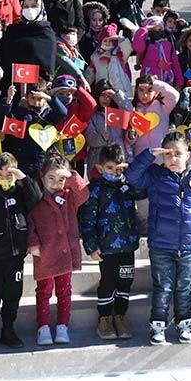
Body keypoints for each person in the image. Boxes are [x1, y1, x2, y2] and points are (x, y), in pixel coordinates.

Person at [125, 132, 191, 345]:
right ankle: (158, 325)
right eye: (168, 154)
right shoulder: (155, 175)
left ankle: (184, 324)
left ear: (188, 155)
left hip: (190, 246)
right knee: (163, 287)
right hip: (161, 244)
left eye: (178, 154)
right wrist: (149, 154)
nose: (173, 158)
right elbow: (132, 177)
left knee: (184, 287)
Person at [0, 153, 42, 350]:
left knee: (13, 294)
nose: (4, 179)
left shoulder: (21, 194)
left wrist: (24, 179)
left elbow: (37, 201)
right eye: (0, 175)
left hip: (16, 255)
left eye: (8, 174)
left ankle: (8, 328)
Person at [79, 144, 140, 340]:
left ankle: (120, 316)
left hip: (127, 246)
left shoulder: (129, 186)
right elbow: (87, 219)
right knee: (108, 283)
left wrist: (131, 172)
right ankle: (104, 318)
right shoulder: (95, 189)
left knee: (125, 281)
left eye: (118, 168)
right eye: (110, 168)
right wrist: (91, 245)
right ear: (100, 168)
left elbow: (143, 190)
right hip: (106, 248)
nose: (115, 172)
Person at [29, 154, 89, 346]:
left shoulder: (70, 196)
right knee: (44, 291)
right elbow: (29, 223)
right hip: (45, 253)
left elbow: (84, 193)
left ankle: (63, 325)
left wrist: (71, 176)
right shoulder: (36, 198)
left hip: (65, 252)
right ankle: (43, 326)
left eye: (61, 179)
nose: (56, 183)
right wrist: (32, 243)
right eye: (51, 178)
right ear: (42, 177)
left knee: (64, 290)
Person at [0, 0, 58, 94]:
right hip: (10, 87)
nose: (29, 9)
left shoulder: (47, 33)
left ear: (41, 8)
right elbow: (1, 55)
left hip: (35, 90)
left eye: (34, 6)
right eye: (26, 6)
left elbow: (48, 66)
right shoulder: (12, 30)